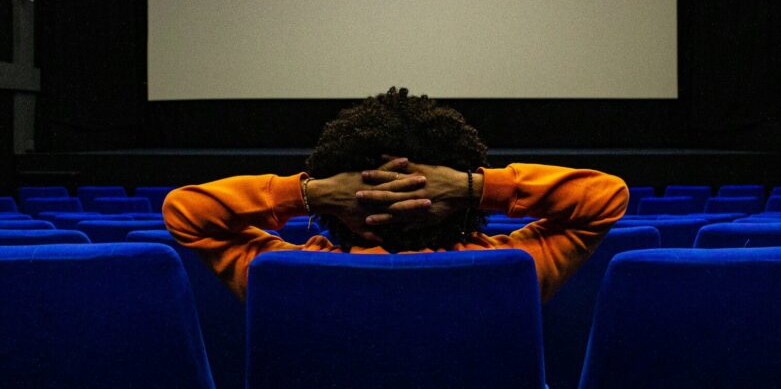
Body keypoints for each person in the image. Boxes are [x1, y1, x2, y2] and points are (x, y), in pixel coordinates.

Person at [163, 87, 628, 302]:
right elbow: (606, 198)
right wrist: (473, 187)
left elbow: (184, 212)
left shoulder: (286, 273)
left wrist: (309, 194)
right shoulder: (512, 267)